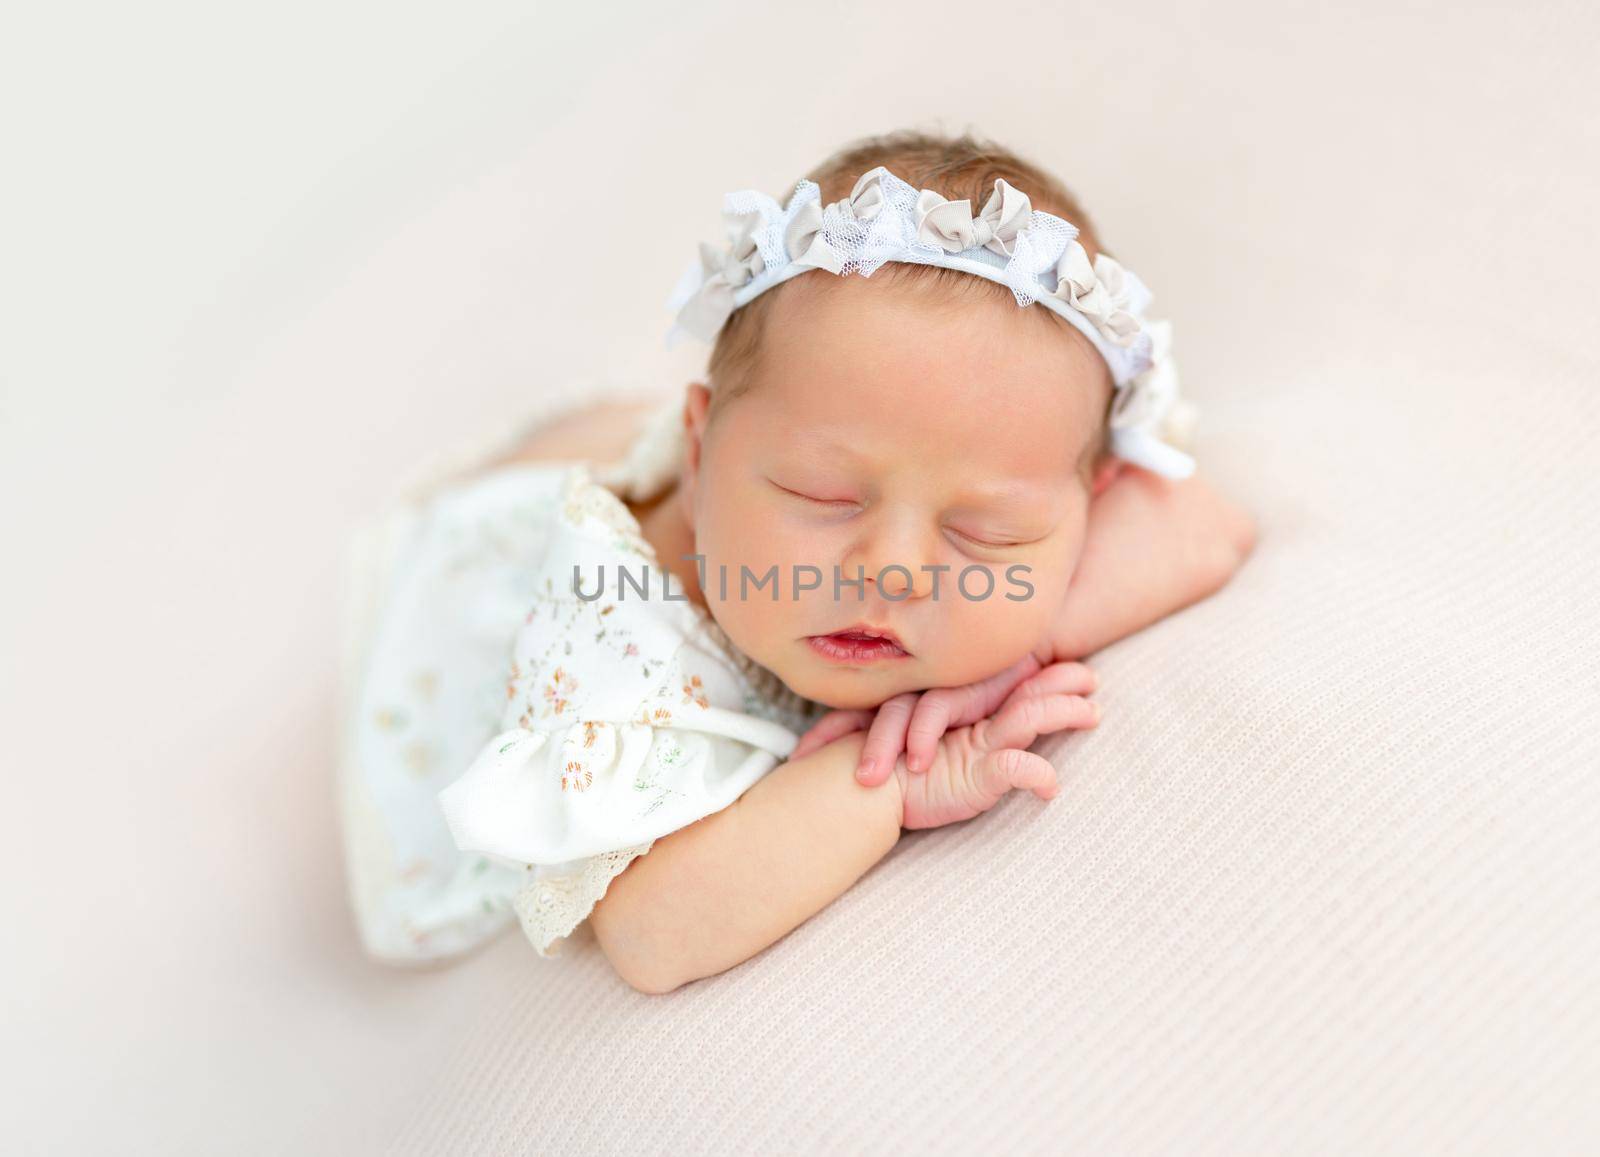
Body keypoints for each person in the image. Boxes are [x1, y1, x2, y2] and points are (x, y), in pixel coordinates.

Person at [337, 129, 1258, 992]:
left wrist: (1021, 645)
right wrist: (890, 777)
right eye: (825, 497)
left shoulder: (1017, 444)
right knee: (530, 485)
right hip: (482, 609)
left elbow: (1204, 520)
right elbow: (654, 934)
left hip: (746, 456)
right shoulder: (615, 647)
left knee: (776, 413)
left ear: (1087, 497)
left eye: (986, 532)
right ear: (700, 458)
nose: (895, 569)